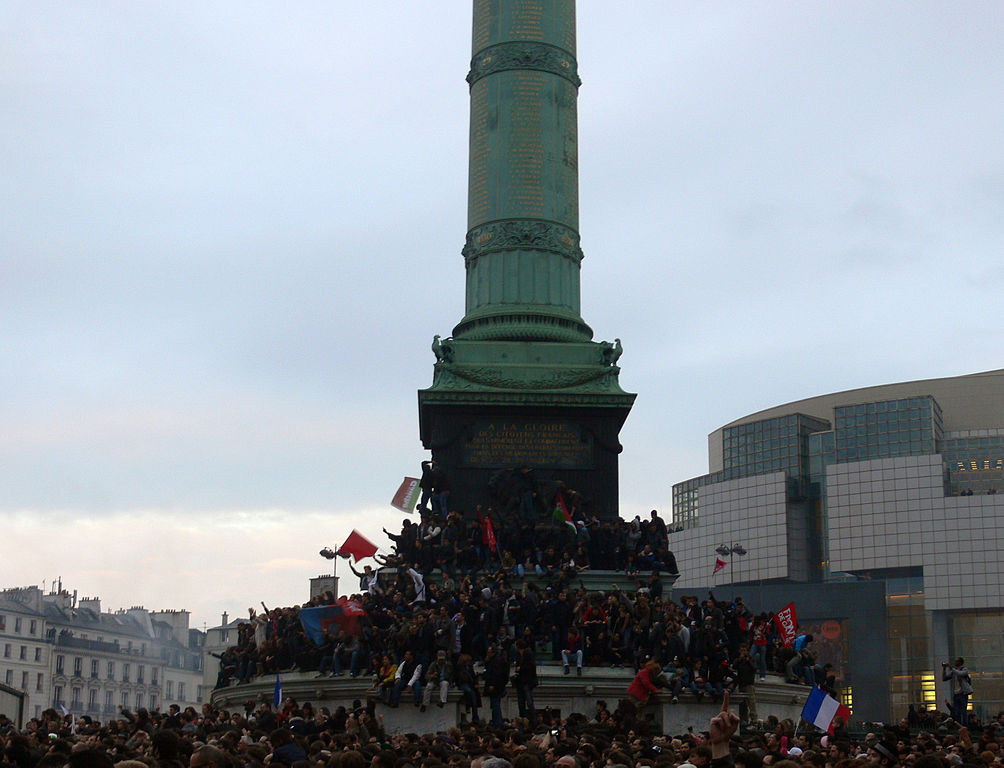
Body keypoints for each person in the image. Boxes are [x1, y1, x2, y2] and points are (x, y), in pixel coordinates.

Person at [942, 657, 973, 722]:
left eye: (957, 661)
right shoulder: (954, 671)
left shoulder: (964, 669)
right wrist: (944, 669)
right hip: (956, 693)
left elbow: (960, 673)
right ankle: (958, 724)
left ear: (961, 662)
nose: (955, 662)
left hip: (963, 693)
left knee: (963, 711)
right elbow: (944, 678)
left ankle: (965, 725)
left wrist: (951, 668)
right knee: (956, 711)